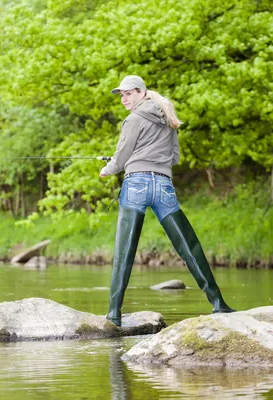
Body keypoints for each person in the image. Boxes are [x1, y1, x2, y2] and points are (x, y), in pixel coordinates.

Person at [100, 75, 235, 327]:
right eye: (121, 95)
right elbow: (174, 157)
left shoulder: (133, 119)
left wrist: (108, 169)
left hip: (136, 185)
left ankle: (114, 313)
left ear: (141, 92)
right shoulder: (168, 118)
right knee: (189, 246)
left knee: (124, 251)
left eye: (128, 93)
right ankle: (219, 304)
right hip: (163, 185)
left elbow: (121, 158)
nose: (123, 99)